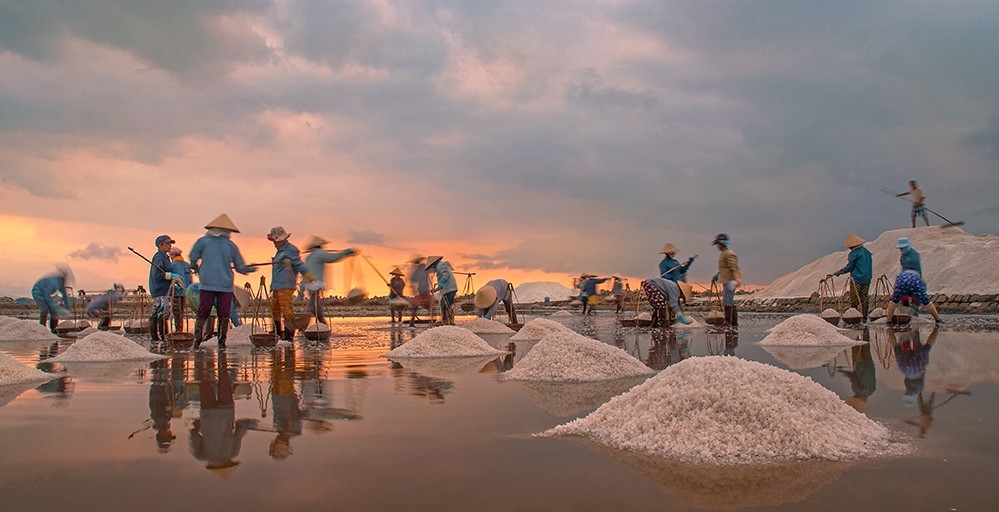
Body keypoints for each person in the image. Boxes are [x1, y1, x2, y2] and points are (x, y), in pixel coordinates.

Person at [188, 214, 257, 349]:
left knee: (203, 312)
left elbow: (193, 258)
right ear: (227, 231)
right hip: (225, 286)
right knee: (223, 314)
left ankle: (196, 342)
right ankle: (221, 343)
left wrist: (194, 266)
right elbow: (240, 267)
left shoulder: (203, 241)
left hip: (207, 284)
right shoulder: (231, 246)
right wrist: (251, 268)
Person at [267, 227, 315, 341]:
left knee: (286, 309)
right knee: (275, 310)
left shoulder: (290, 250)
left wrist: (309, 276)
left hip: (285, 285)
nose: (274, 244)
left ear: (282, 239)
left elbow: (299, 265)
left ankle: (289, 336)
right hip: (277, 286)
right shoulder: (280, 251)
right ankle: (278, 334)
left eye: (275, 241)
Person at [302, 235, 356, 325]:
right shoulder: (319, 253)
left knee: (313, 303)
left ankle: (307, 325)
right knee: (314, 304)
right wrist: (347, 252)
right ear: (319, 246)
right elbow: (333, 258)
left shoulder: (309, 256)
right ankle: (322, 323)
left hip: (308, 283)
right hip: (315, 283)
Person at [828, 234, 873, 321]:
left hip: (856, 279)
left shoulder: (853, 254)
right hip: (867, 278)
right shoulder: (867, 252)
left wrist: (839, 272)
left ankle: (854, 317)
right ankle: (864, 317)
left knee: (854, 298)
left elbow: (850, 267)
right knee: (864, 297)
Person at [149, 235, 175, 342]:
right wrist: (170, 276)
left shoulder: (165, 257)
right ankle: (157, 337)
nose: (170, 246)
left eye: (170, 244)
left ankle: (162, 335)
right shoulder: (159, 257)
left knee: (162, 312)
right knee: (159, 312)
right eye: (167, 243)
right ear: (161, 245)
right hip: (160, 290)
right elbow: (157, 275)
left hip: (164, 290)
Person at [711, 233, 741, 327]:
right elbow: (724, 268)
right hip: (725, 279)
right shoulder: (724, 253)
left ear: (722, 243)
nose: (717, 246)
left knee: (728, 300)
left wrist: (737, 279)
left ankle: (729, 321)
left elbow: (734, 267)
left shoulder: (728, 253)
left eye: (718, 244)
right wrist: (717, 275)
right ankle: (733, 322)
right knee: (728, 300)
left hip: (730, 280)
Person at [32, 265, 74, 332]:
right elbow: (47, 297)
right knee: (44, 309)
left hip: (46, 294)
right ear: (62, 278)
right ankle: (42, 329)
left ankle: (54, 329)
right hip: (38, 293)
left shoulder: (60, 284)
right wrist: (60, 309)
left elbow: (65, 295)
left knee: (54, 312)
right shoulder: (54, 282)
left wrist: (69, 309)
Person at [425, 256, 457, 325]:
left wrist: (442, 282)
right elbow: (440, 285)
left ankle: (448, 320)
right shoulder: (439, 266)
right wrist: (435, 290)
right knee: (445, 304)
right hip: (448, 289)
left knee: (445, 305)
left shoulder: (440, 265)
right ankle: (447, 320)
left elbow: (445, 275)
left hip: (449, 289)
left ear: (433, 264)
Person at [170, 246, 193, 333]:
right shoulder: (186, 265)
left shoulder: (172, 265)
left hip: (176, 292)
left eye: (171, 255)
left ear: (173, 255)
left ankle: (178, 330)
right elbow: (190, 279)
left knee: (177, 312)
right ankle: (180, 330)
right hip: (185, 291)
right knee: (181, 311)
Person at [407, 256, 433, 326]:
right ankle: (431, 320)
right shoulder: (421, 268)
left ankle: (412, 322)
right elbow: (432, 270)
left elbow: (412, 280)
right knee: (427, 305)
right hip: (423, 289)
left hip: (421, 289)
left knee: (418, 307)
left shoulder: (418, 269)